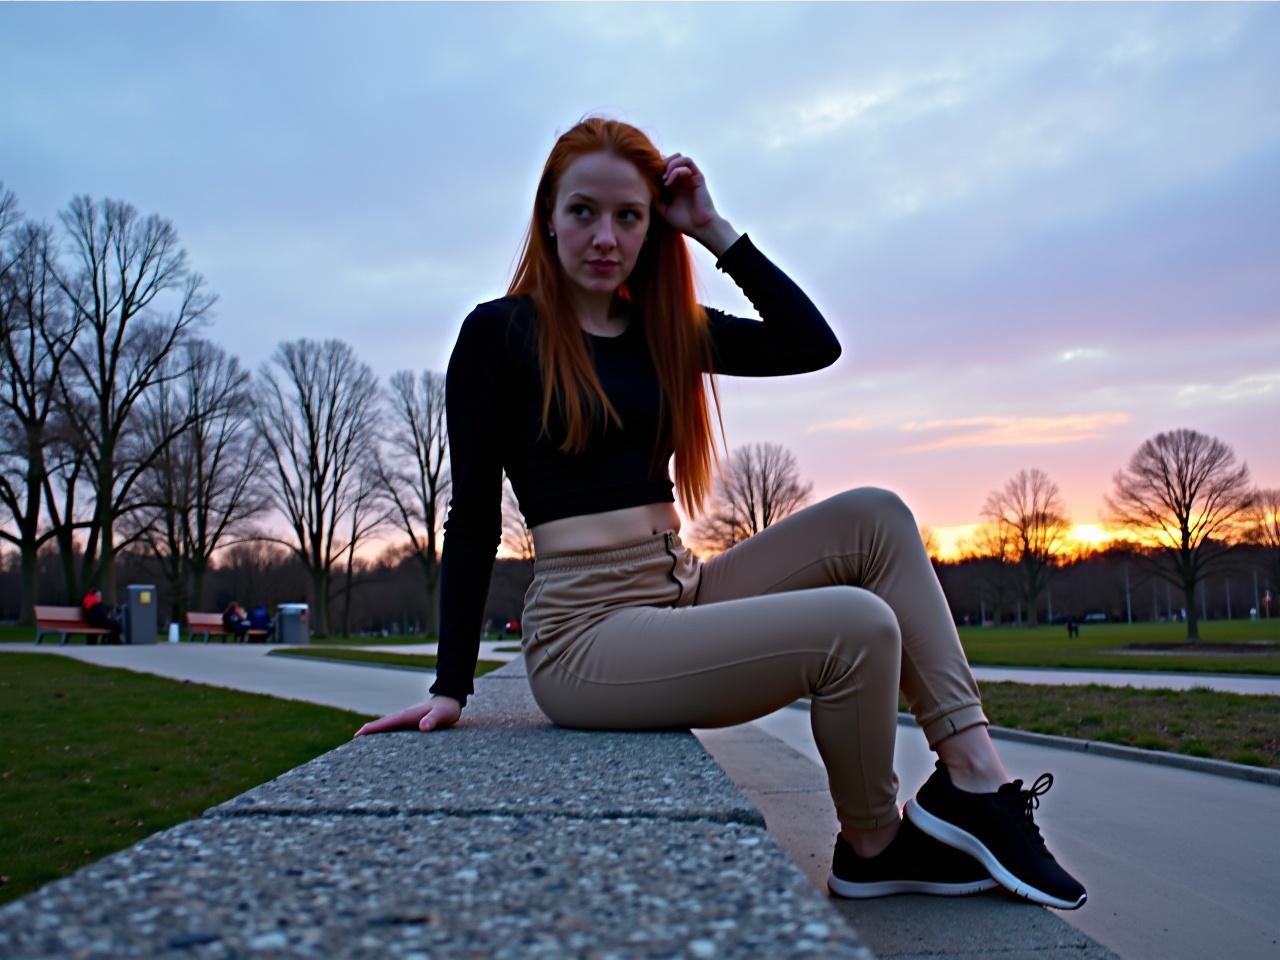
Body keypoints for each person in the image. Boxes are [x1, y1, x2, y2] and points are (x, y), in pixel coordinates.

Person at [355, 118, 1086, 909]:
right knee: (857, 625)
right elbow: (470, 516)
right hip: (585, 635)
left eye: (628, 216)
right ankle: (874, 844)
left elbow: (812, 344)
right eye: (583, 212)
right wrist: (450, 685)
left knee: (878, 514)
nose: (605, 236)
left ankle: (975, 777)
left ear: (651, 226)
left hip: (680, 586)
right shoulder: (499, 333)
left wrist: (712, 229)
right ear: (548, 216)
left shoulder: (663, 329)